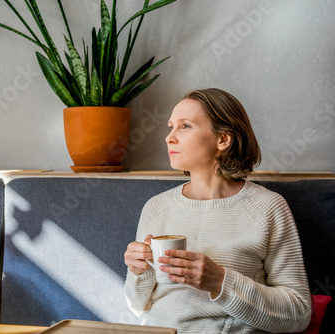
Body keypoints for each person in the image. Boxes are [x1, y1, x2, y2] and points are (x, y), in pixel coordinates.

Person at [124, 88, 311, 333]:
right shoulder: (155, 207)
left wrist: (219, 281)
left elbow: (298, 313)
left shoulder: (269, 208)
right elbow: (137, 307)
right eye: (171, 127)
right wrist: (139, 272)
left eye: (185, 126)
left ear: (223, 139)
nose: (169, 137)